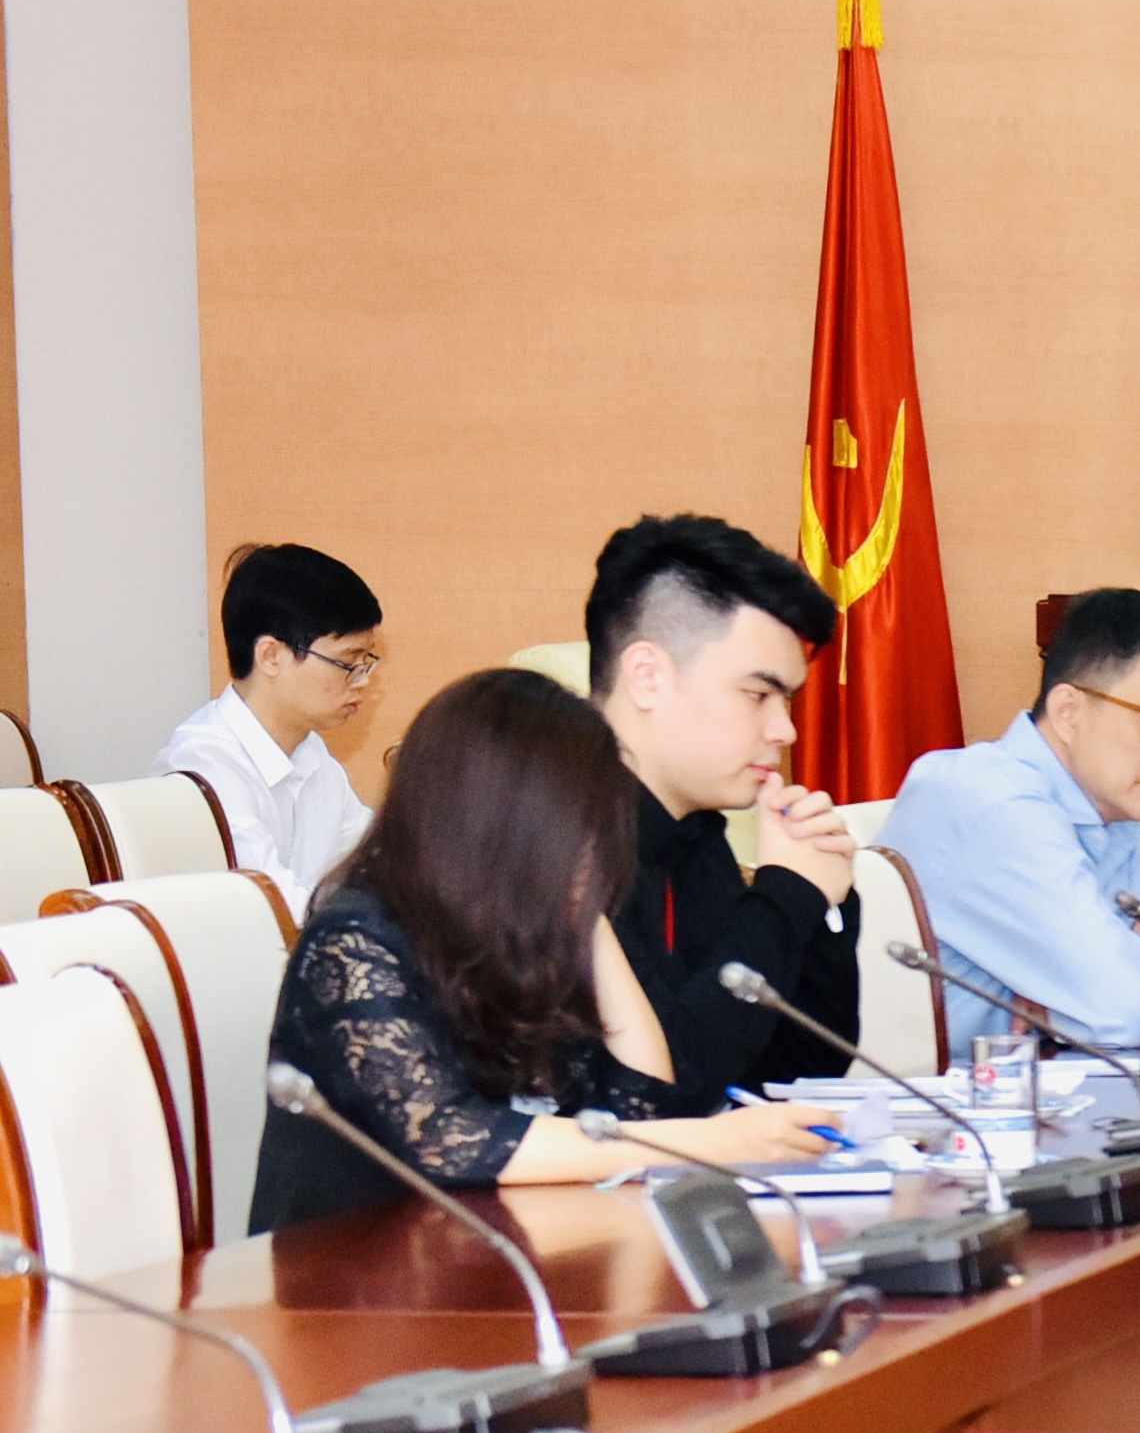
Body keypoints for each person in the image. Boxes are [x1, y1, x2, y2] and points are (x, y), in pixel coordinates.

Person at [255, 669, 828, 1232]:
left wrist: (588, 920)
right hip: (349, 1271)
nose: (599, 850)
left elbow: (644, 1102)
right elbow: (451, 1138)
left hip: (485, 1251)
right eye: (581, 825)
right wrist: (705, 1143)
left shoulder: (517, 930)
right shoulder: (354, 942)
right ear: (511, 824)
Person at [881, 591, 1140, 1050]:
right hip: (915, 1089)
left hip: (1042, 1083)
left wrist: (1102, 983)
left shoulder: (1117, 817)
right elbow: (1125, 1009)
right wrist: (1122, 976)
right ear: (1069, 711)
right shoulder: (993, 800)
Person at [583, 513, 860, 1095]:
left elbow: (791, 1071)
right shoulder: (552, 840)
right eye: (758, 695)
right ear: (647, 677)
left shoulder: (695, 833)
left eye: (786, 702)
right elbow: (665, 1089)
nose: (785, 731)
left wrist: (817, 901)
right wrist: (787, 896)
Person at [156, 542, 387, 889]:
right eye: (347, 663)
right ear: (270, 656)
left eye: (366, 663)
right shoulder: (202, 766)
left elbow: (378, 863)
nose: (363, 681)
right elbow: (267, 904)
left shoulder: (313, 756)